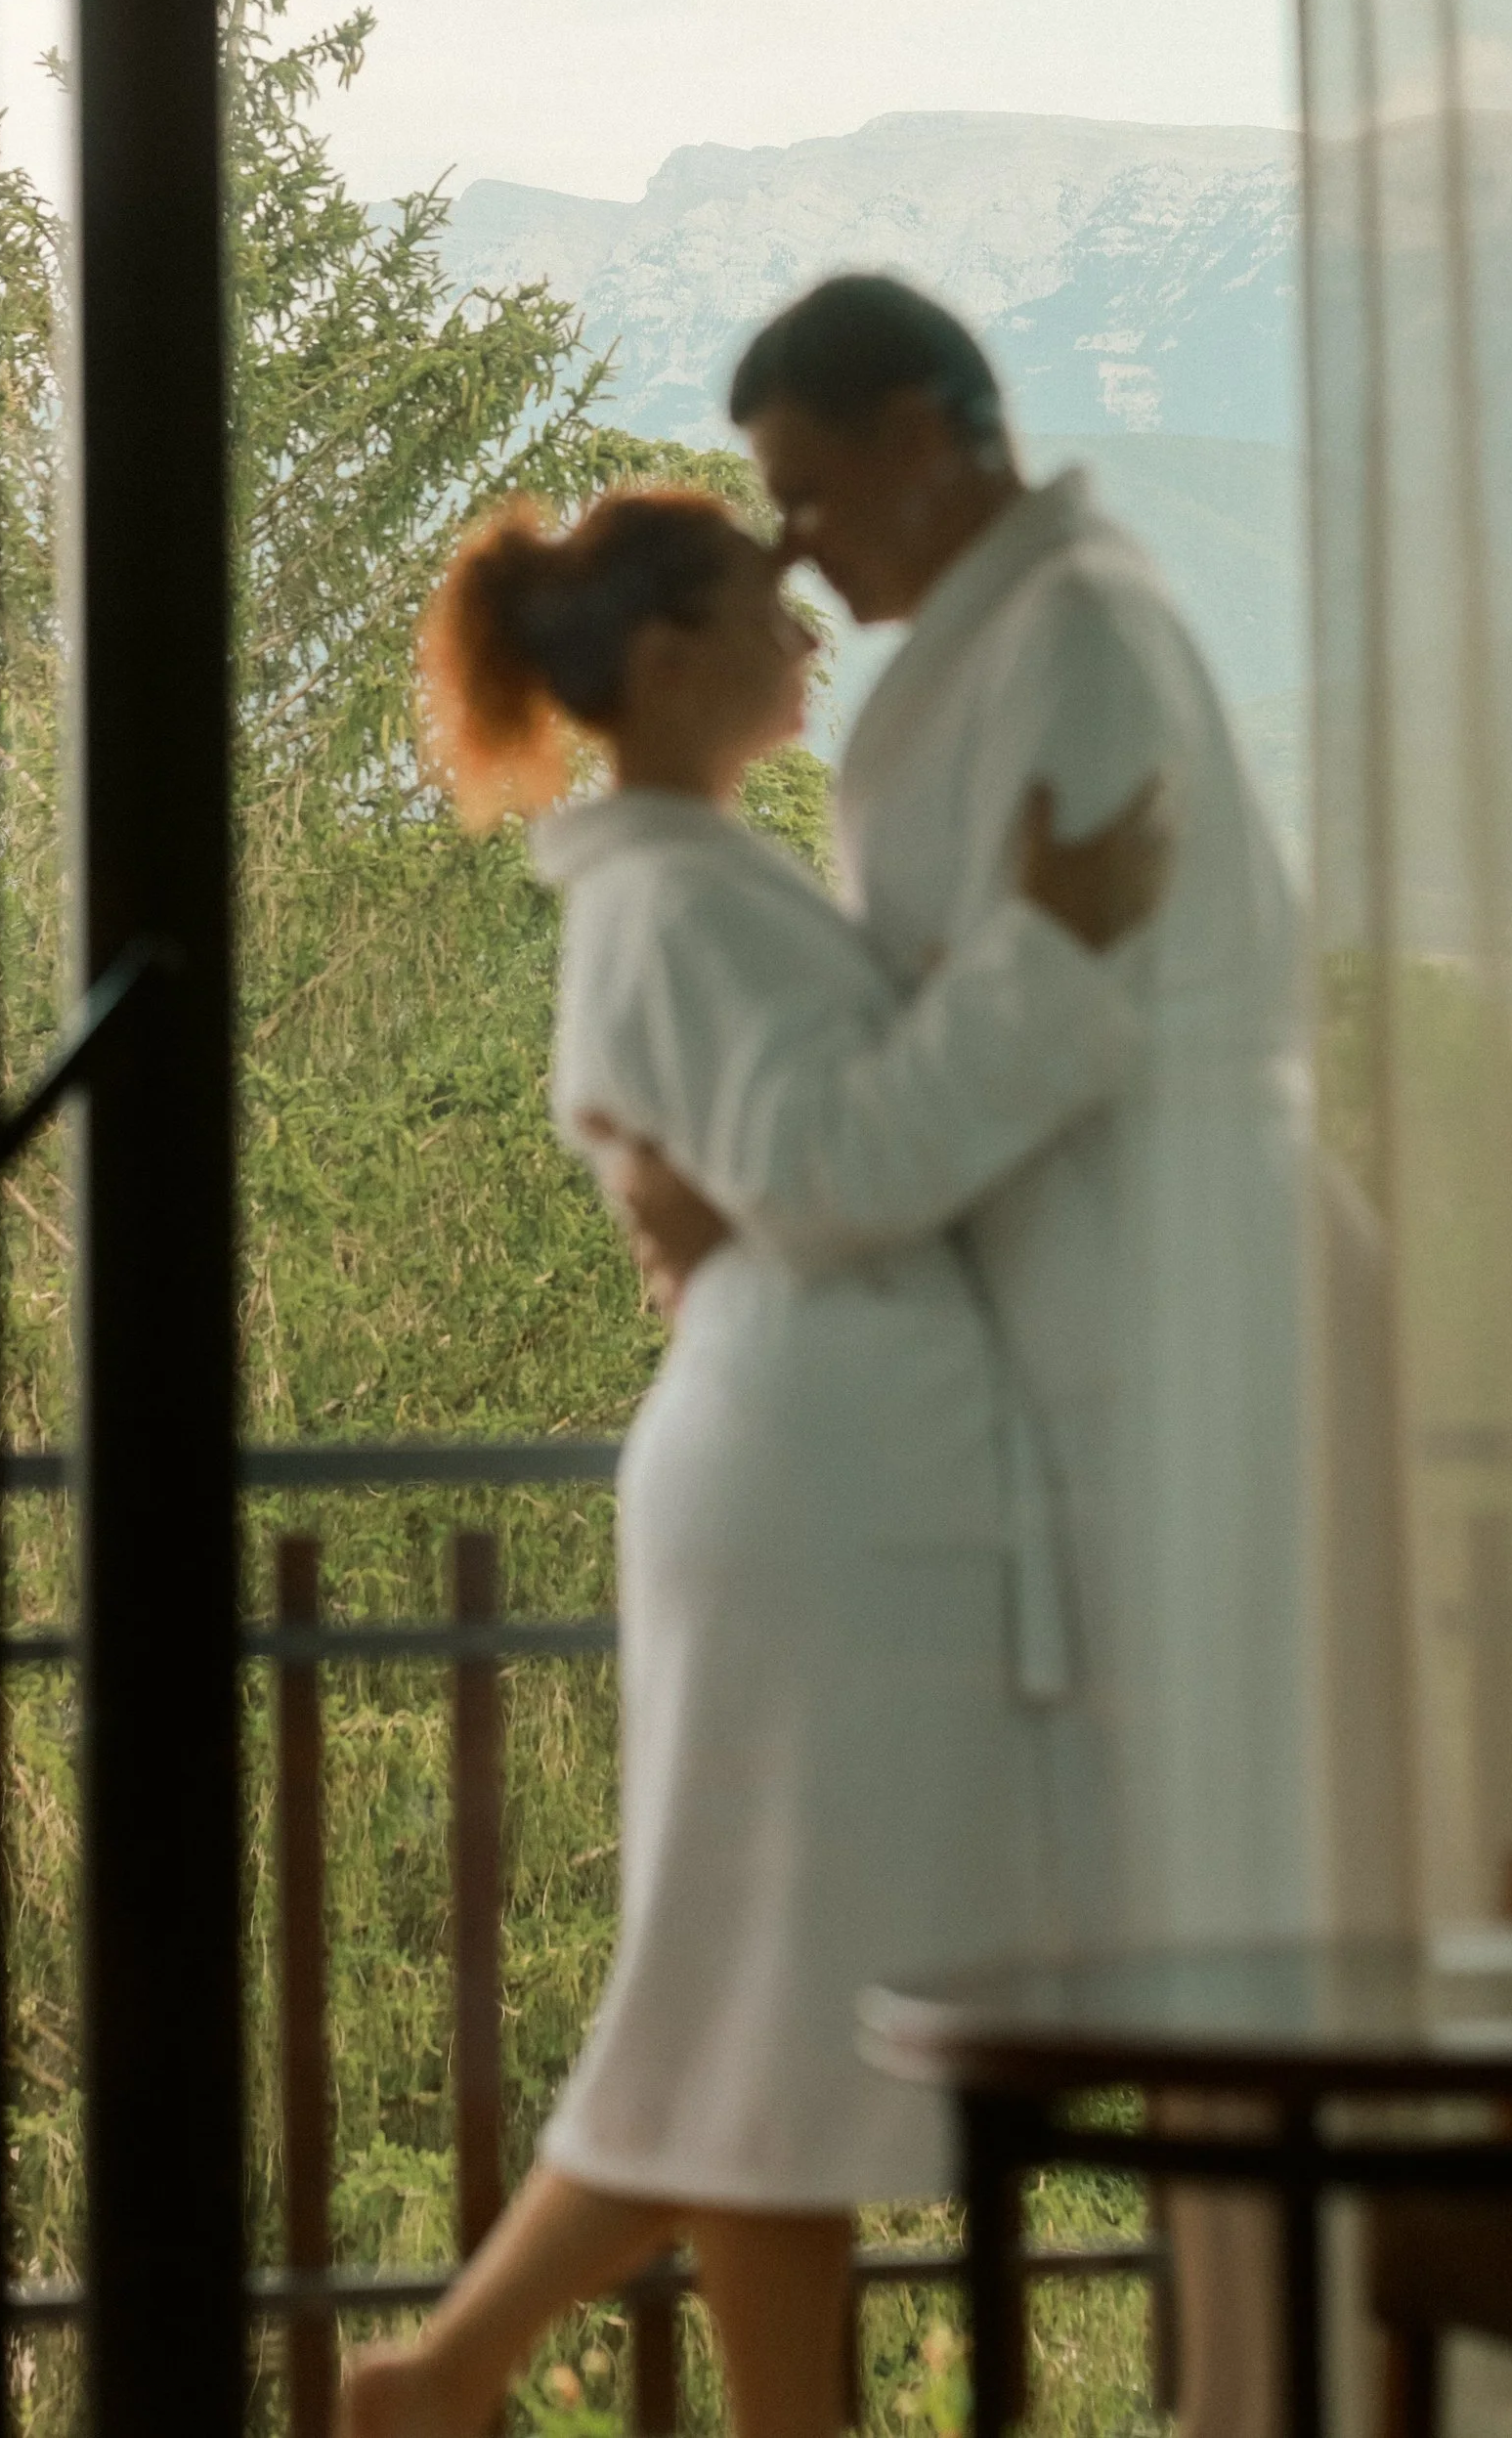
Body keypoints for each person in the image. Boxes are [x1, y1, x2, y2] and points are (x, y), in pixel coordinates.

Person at [342, 484, 1168, 2438]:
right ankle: (447, 2370)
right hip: (820, 1485)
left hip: (825, 1457)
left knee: (762, 2000)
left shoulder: (696, 877)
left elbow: (783, 1166)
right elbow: (833, 1167)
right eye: (759, 608)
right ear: (655, 662)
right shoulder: (672, 899)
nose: (807, 640)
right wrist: (1048, 946)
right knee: (757, 1992)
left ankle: (449, 2374)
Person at [596, 281, 1325, 2438]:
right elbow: (963, 1030)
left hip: (1165, 1310)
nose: (798, 550)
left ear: (934, 428)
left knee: (1216, 1895)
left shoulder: (1074, 637)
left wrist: (784, 1184)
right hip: (1077, 1310)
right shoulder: (996, 650)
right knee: (1173, 1902)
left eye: (812, 488)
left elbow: (994, 1049)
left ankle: (1261, 2387)